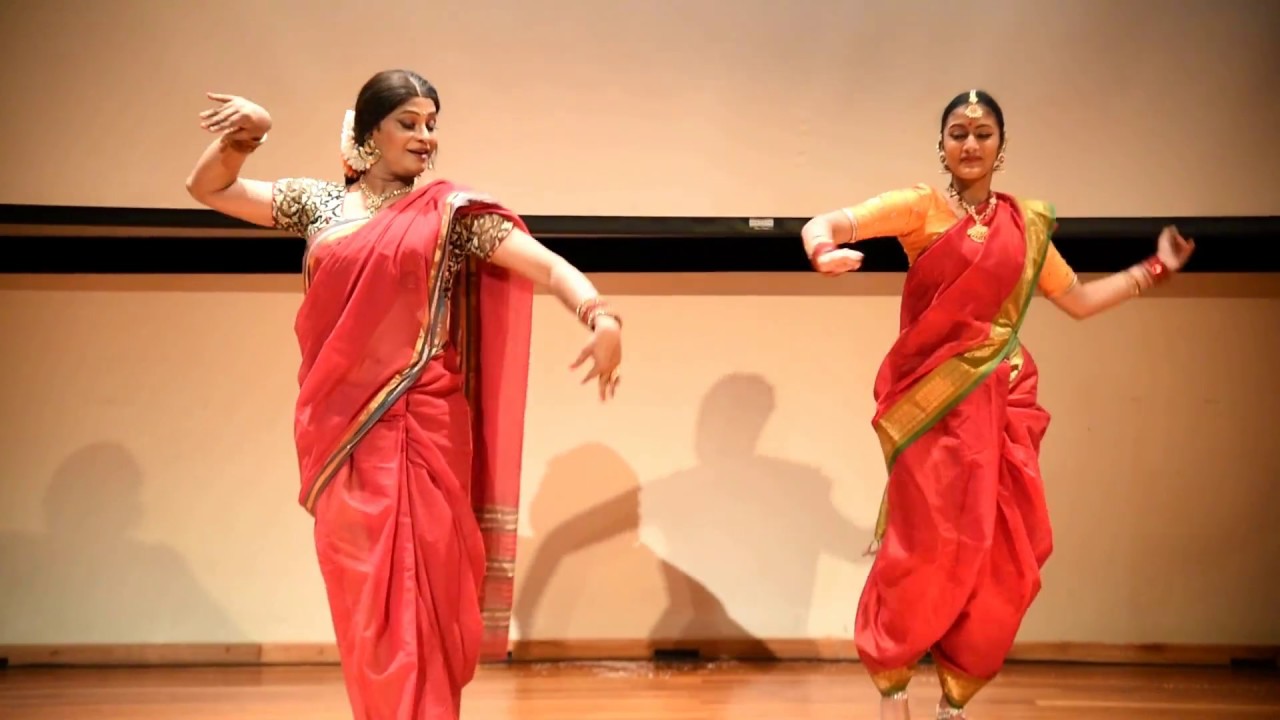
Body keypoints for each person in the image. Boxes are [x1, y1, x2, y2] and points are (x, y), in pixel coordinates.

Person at [184, 69, 623, 720]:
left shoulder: (452, 217)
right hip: (342, 437)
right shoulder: (317, 206)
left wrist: (599, 314)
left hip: (424, 431)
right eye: (409, 123)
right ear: (368, 133)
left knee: (424, 603)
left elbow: (548, 265)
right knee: (367, 613)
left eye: (432, 124)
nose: (425, 137)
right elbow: (208, 188)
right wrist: (251, 134)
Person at [800, 89, 1194, 720]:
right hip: (932, 407)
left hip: (1001, 407)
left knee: (1001, 551)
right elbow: (829, 223)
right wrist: (821, 247)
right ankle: (893, 694)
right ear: (943, 144)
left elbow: (1081, 301)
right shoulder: (920, 208)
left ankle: (955, 703)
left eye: (983, 134)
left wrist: (1153, 268)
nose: (971, 144)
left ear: (1000, 148)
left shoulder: (1025, 229)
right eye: (958, 132)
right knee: (923, 548)